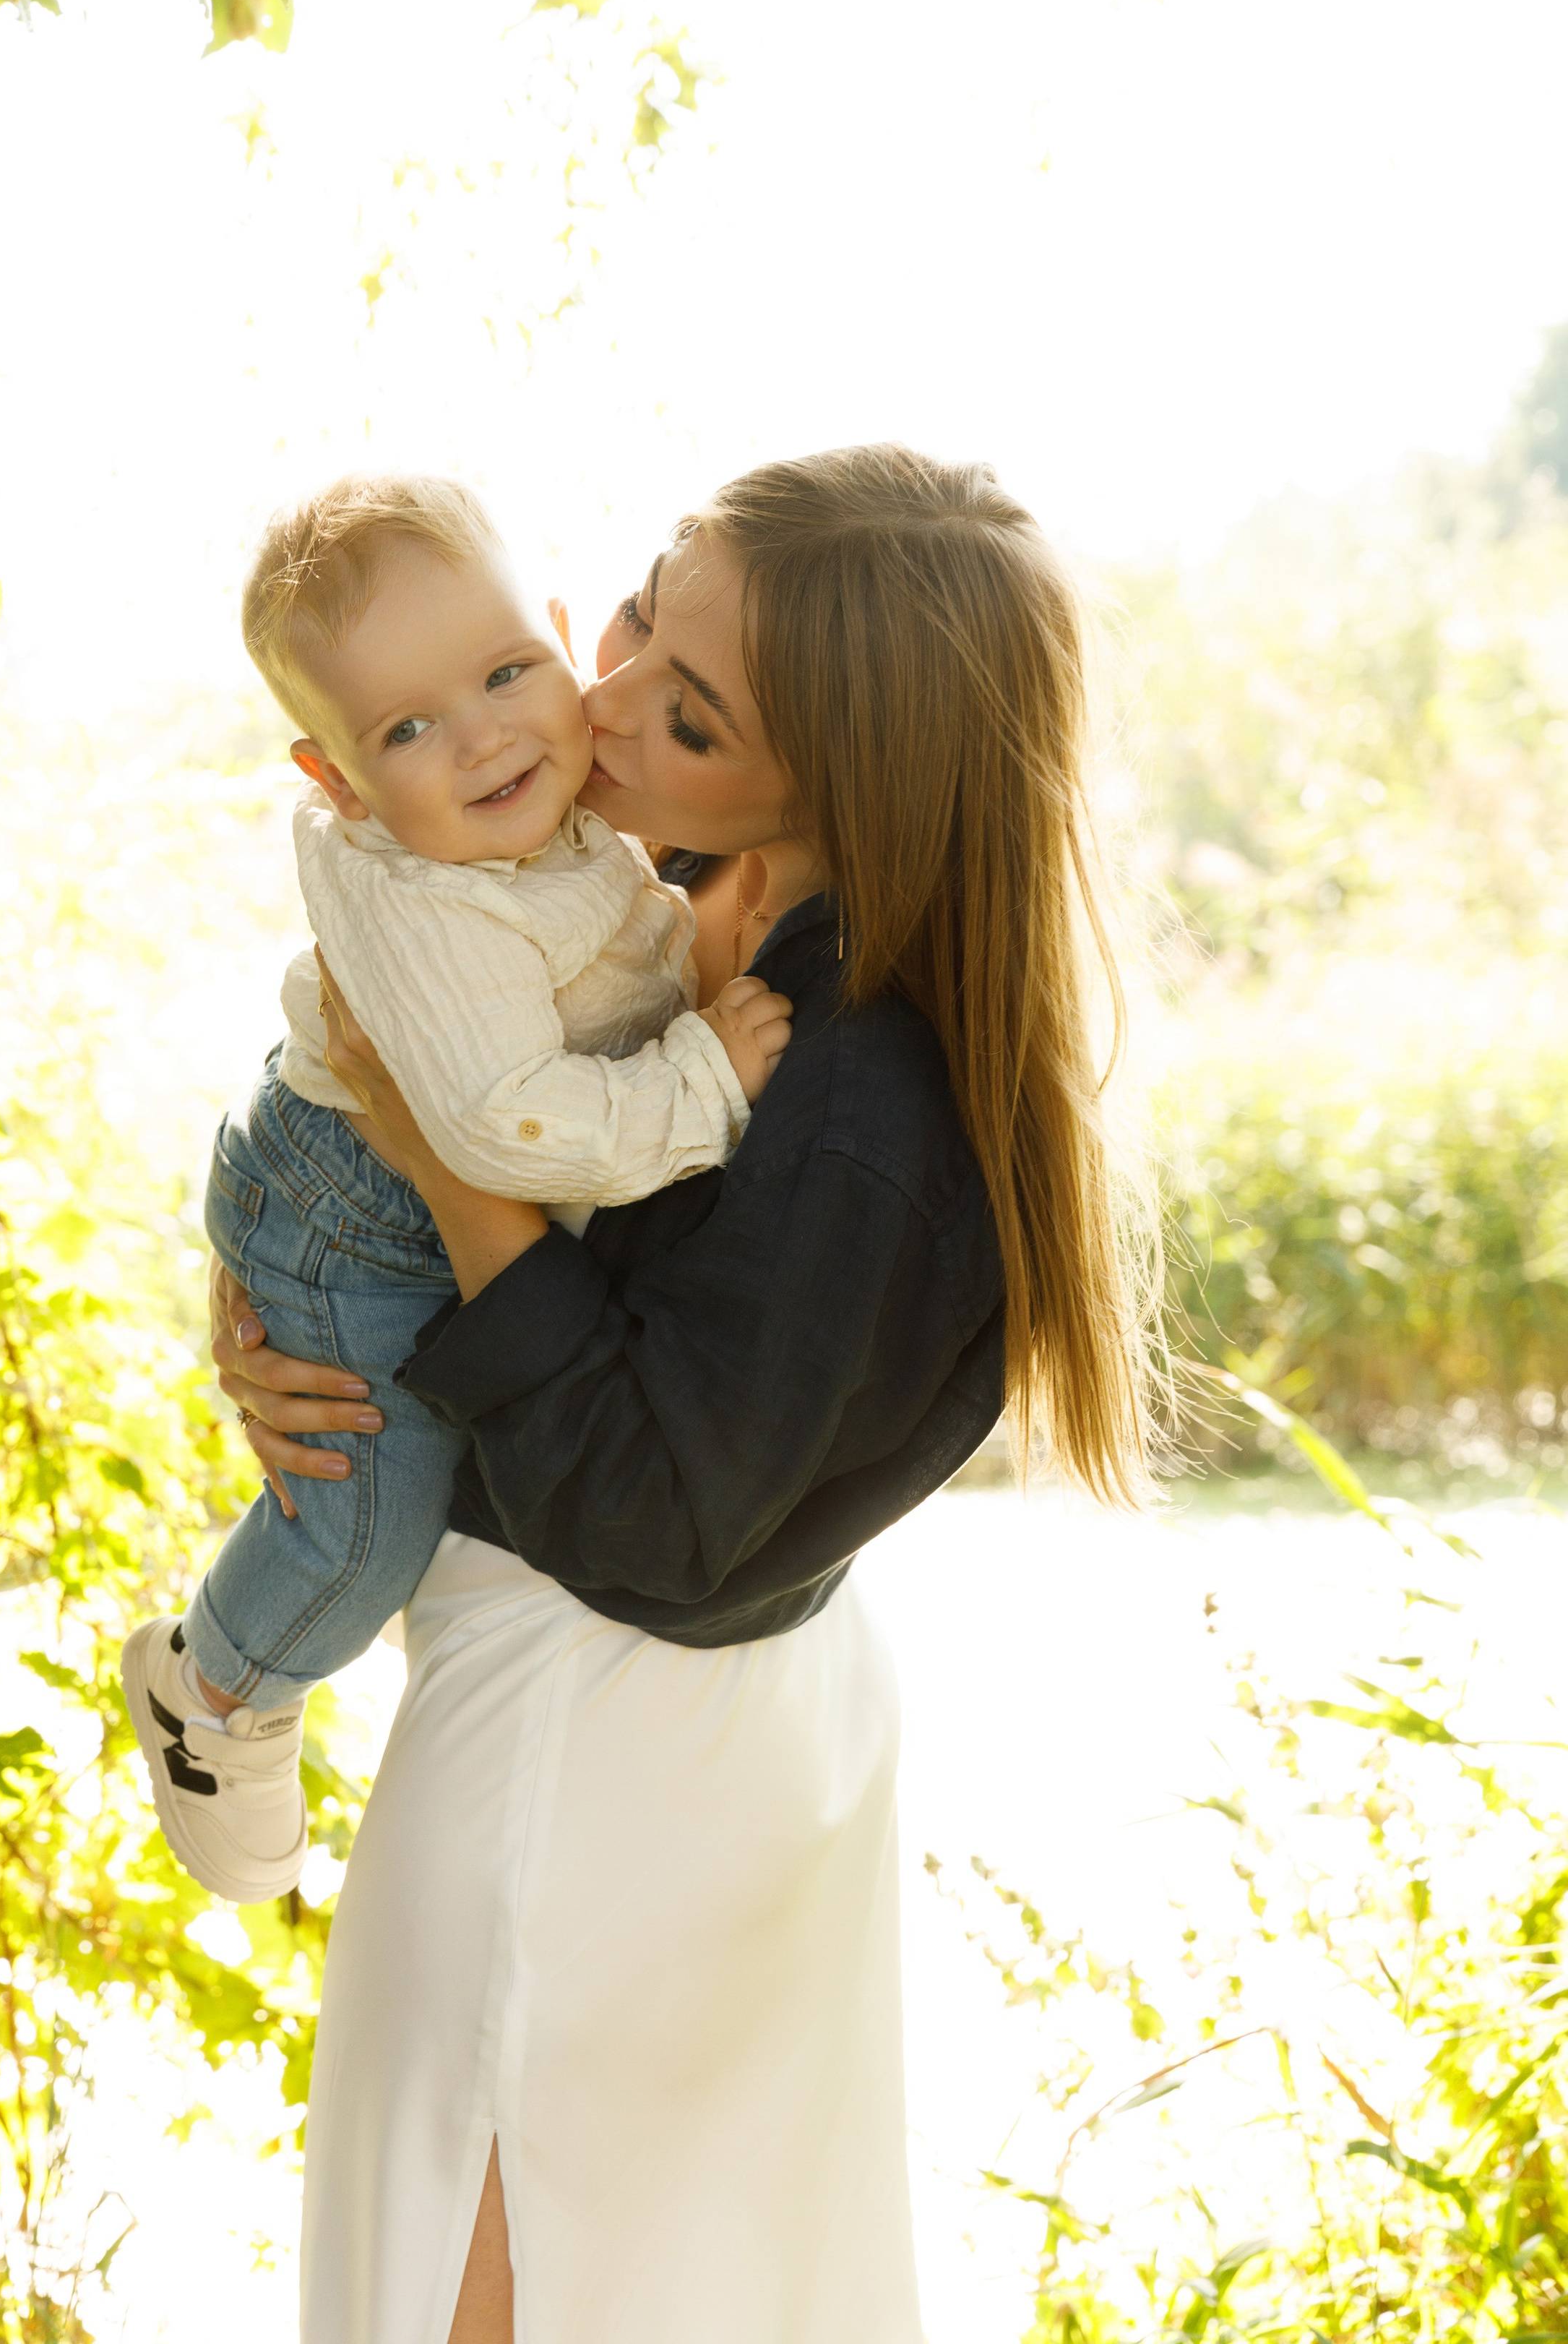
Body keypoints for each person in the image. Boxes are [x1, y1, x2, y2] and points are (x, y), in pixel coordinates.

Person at [210, 446, 1166, 2344]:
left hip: (602, 1739)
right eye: (640, 609)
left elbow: (651, 1513)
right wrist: (292, 1307)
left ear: (831, 779)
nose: (602, 693)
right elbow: (368, 1099)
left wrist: (460, 1176)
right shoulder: (640, 892)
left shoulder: (861, 1106)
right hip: (673, 1735)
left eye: (690, 706)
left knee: (503, 2278)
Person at [121, 469, 793, 1905]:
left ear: (549, 636)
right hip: (351, 1221)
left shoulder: (554, 804)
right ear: (336, 780)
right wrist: (706, 1085)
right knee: (366, 1523)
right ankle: (217, 1690)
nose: (486, 735)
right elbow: (500, 1128)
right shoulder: (446, 890)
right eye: (407, 727)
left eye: (505, 673)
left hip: (368, 1192)